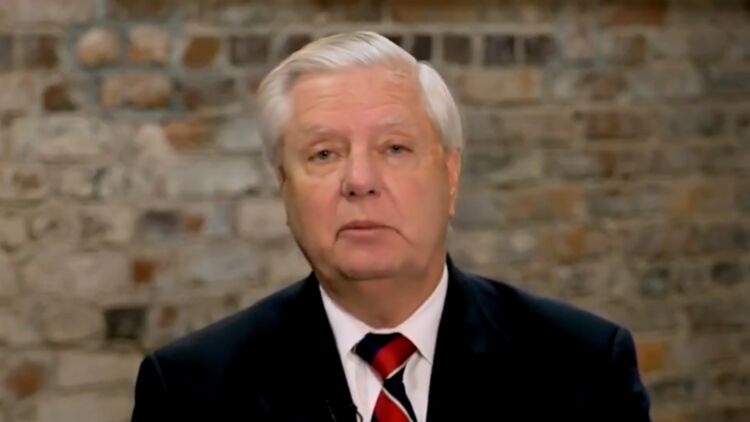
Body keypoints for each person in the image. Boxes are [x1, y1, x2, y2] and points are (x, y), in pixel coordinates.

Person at [131, 31, 651, 422]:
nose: (359, 181)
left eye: (395, 148)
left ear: (450, 175)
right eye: (324, 154)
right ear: (283, 185)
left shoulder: (584, 366)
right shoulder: (189, 390)